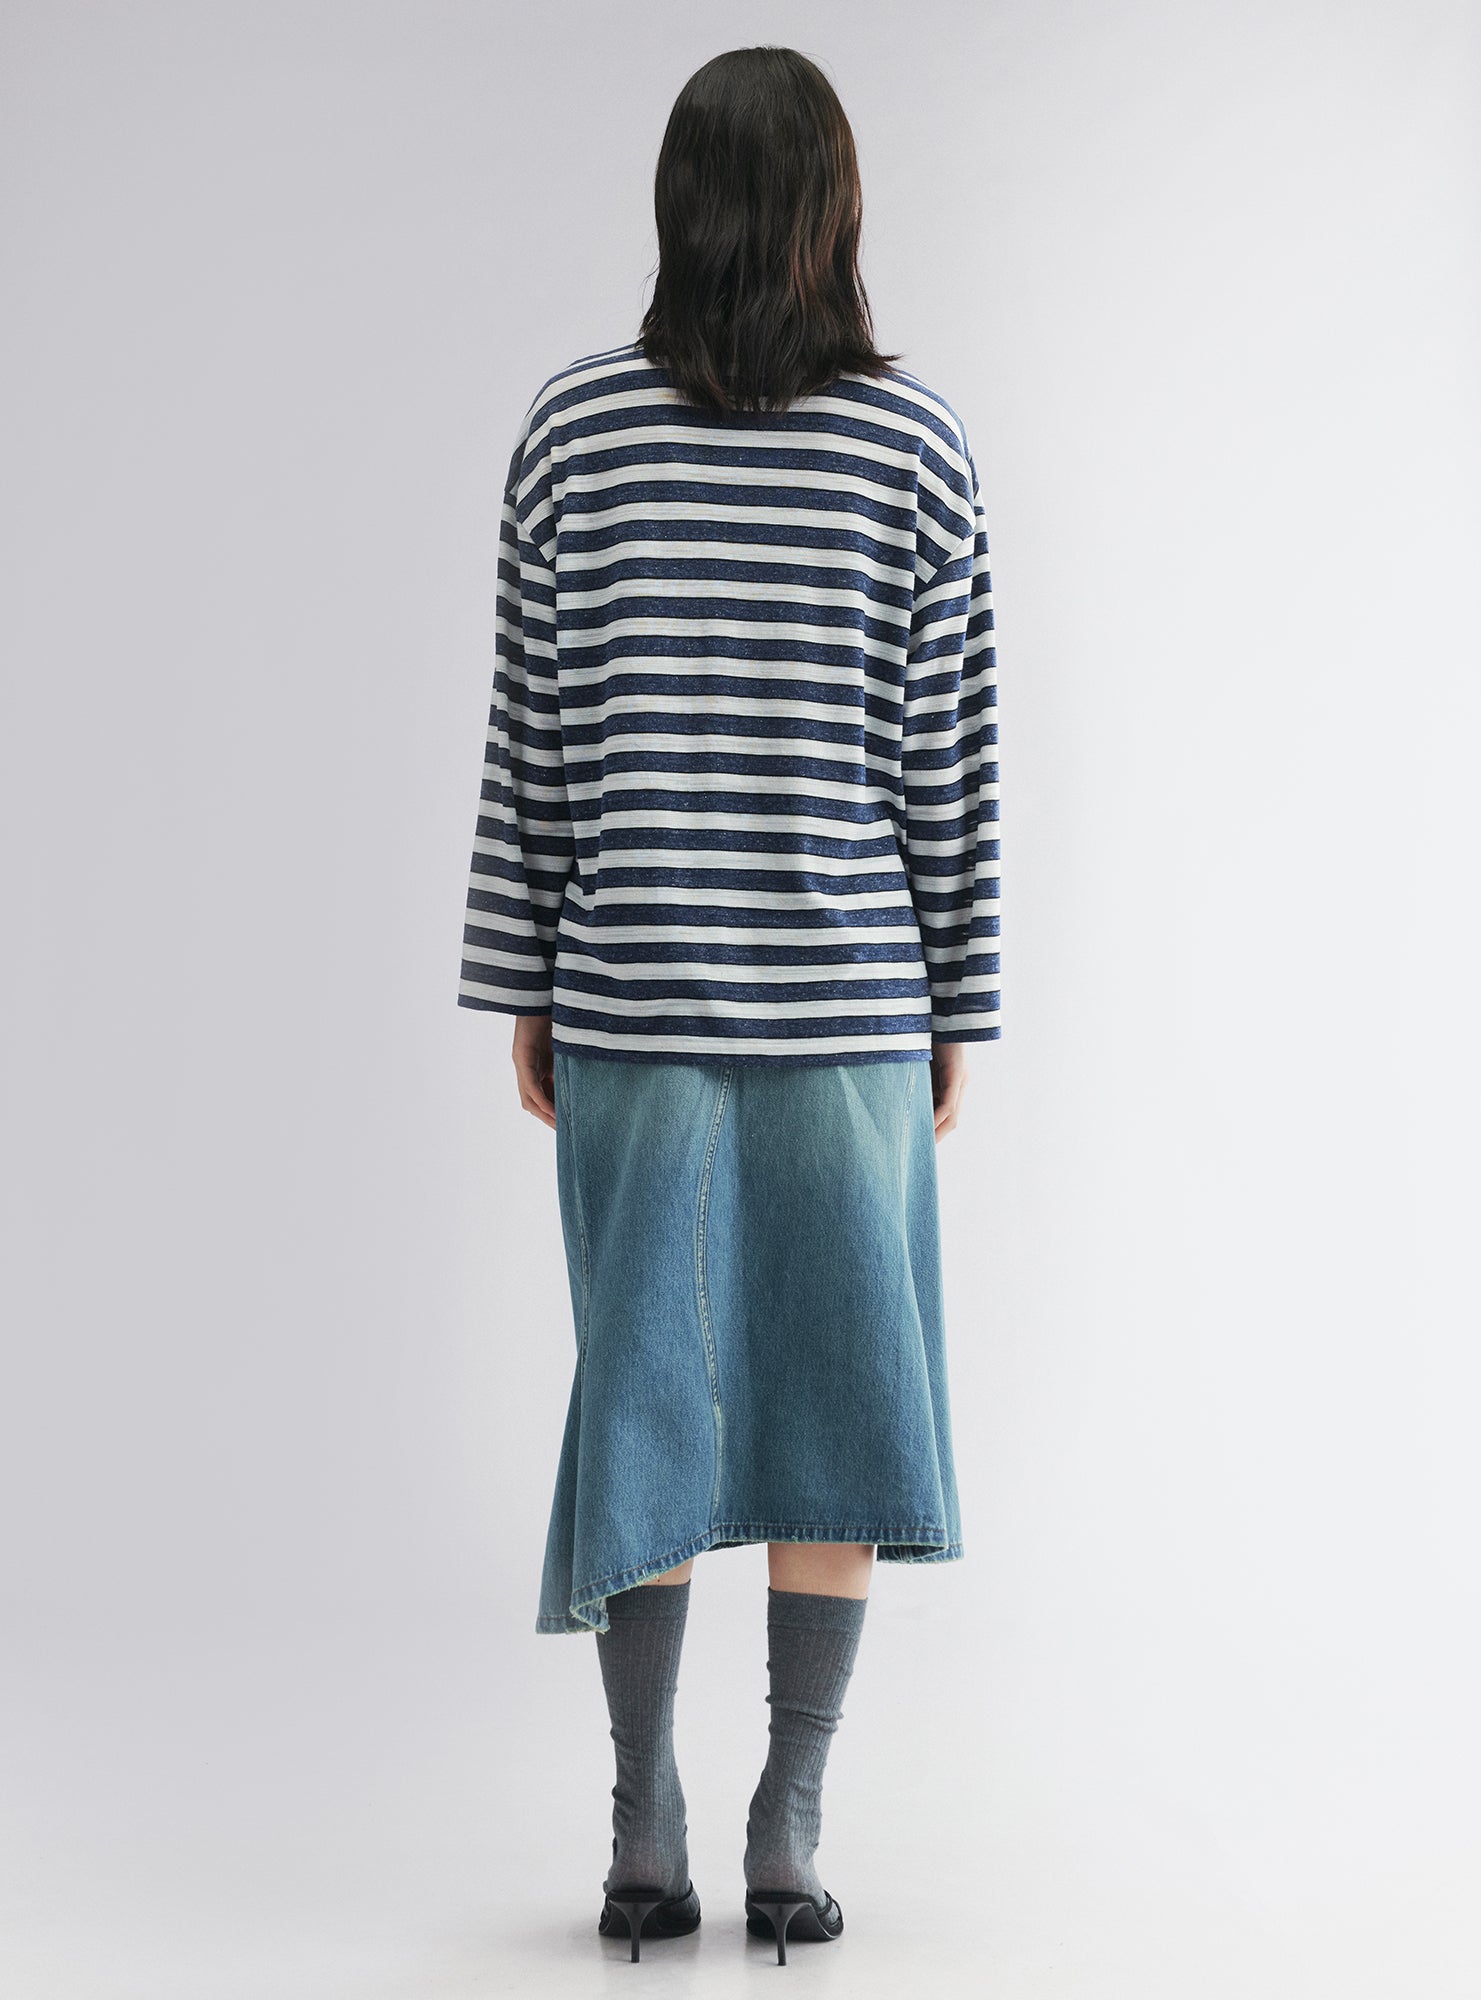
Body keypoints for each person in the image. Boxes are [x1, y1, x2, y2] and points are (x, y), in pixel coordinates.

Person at [457, 44, 999, 1965]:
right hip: (849, 1017)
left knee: (650, 1405)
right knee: (836, 1409)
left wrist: (524, 979)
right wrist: (957, 1009)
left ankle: (643, 1824)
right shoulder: (913, 446)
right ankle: (791, 1823)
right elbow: (947, 768)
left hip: (635, 1008)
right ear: (835, 211)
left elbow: (536, 743)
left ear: (677, 207)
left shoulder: (573, 431)